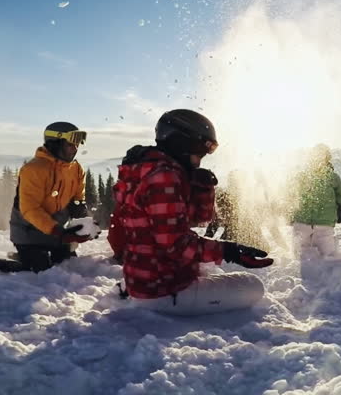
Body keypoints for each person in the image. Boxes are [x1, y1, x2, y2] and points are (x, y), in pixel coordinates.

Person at [108, 109, 273, 316]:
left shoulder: (149, 170)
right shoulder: (163, 178)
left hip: (145, 280)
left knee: (213, 274)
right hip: (164, 290)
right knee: (253, 286)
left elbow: (198, 219)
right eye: (199, 152)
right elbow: (175, 245)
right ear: (182, 143)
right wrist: (227, 251)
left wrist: (203, 189)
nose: (200, 160)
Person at [0, 122, 98, 273]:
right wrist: (60, 232)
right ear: (55, 143)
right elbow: (30, 209)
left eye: (77, 144)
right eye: (70, 144)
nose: (75, 148)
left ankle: (29, 257)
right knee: (39, 271)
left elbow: (77, 201)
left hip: (56, 230)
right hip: (28, 231)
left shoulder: (76, 169)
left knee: (66, 265)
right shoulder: (34, 169)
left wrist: (86, 224)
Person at [289, 144, 341, 258]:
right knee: (299, 260)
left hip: (323, 228)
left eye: (322, 156)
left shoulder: (332, 177)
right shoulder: (301, 176)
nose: (318, 158)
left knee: (329, 261)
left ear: (327, 158)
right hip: (301, 226)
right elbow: (288, 197)